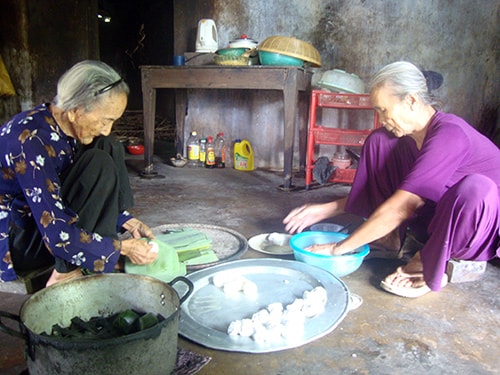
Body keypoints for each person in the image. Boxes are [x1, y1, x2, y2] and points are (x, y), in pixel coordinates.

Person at [284, 61, 500, 298]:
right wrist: (327, 210)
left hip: (476, 228)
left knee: (475, 189)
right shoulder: (412, 138)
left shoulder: (450, 134)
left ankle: (427, 261)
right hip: (439, 216)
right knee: (381, 141)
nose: (381, 117)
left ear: (411, 101)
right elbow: (402, 194)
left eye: (384, 110)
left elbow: (404, 205)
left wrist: (339, 249)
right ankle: (389, 238)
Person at [0, 60, 158, 287]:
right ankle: (66, 270)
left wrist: (126, 220)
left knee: (107, 145)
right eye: (106, 120)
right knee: (99, 163)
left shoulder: (61, 123)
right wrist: (122, 248)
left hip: (44, 222)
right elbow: (55, 233)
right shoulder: (29, 142)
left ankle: (100, 250)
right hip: (19, 242)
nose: (107, 128)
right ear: (75, 111)